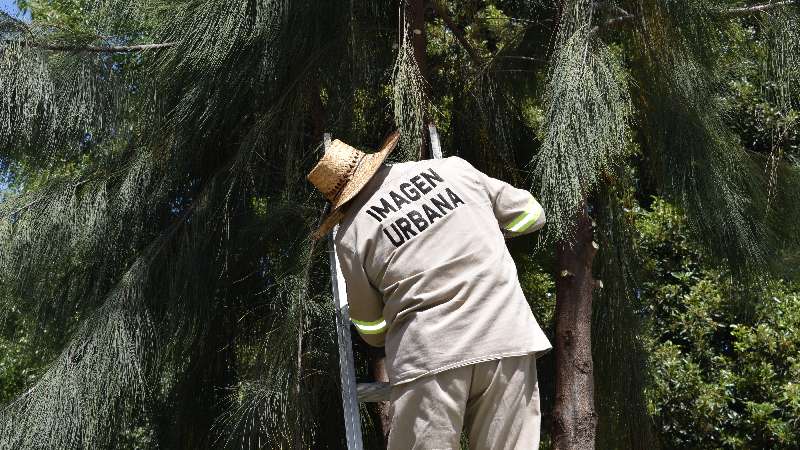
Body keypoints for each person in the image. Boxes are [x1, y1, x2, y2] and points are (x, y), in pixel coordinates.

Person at [307, 131, 551, 450]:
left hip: (428, 355)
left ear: (338, 200)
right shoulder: (454, 170)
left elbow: (370, 327)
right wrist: (488, 230)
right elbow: (532, 214)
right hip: (505, 335)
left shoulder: (351, 233)